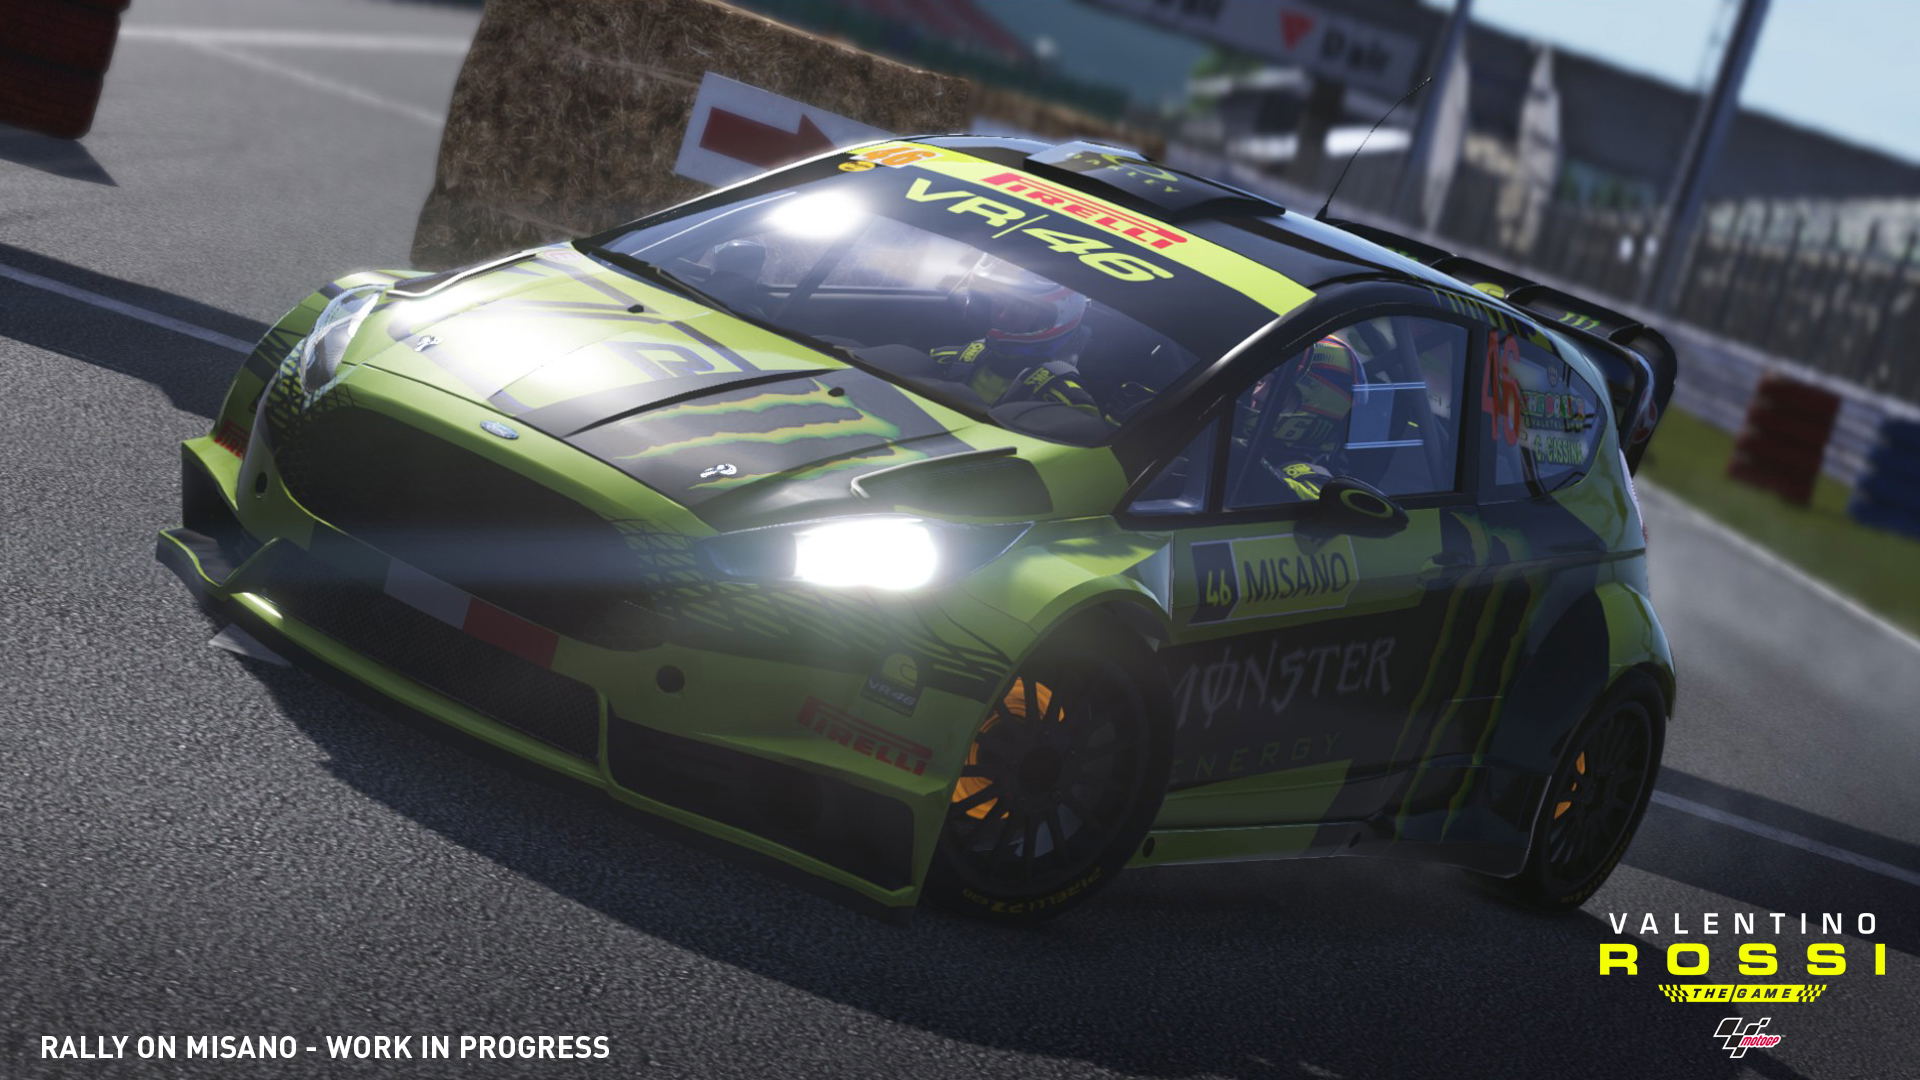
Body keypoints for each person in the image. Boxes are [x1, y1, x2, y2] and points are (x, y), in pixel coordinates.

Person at [929, 256, 1104, 417]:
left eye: (1023, 307)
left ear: (1054, 317)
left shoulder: (1069, 403)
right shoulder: (948, 358)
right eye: (999, 300)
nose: (1003, 316)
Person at [1246, 334, 1358, 501]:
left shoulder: (1323, 487)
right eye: (1261, 381)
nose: (1257, 394)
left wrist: (1237, 455)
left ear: (1321, 405)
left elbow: (1299, 497)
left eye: (1277, 389)